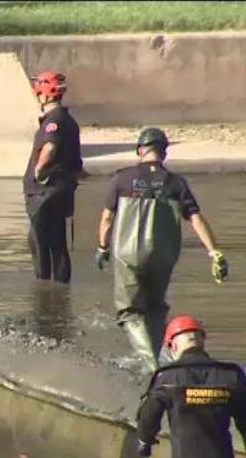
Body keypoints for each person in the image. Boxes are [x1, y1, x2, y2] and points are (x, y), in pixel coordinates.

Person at [95, 127, 229, 373]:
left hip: (128, 256)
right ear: (164, 152)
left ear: (139, 150)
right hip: (164, 257)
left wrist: (102, 247)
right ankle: (157, 361)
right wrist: (214, 252)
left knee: (130, 312)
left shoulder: (122, 179)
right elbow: (196, 219)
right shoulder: (176, 183)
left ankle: (151, 366)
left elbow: (106, 219)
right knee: (155, 308)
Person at [136, 316, 246, 458]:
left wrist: (144, 441)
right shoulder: (231, 376)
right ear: (202, 341)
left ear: (173, 346)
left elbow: (148, 415)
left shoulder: (167, 377)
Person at [23, 71, 82, 283]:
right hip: (61, 190)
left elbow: (50, 147)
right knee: (58, 244)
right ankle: (59, 291)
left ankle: (44, 291)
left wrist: (38, 171)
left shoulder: (53, 122)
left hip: (45, 193)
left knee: (39, 243)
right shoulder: (68, 120)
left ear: (45, 95)